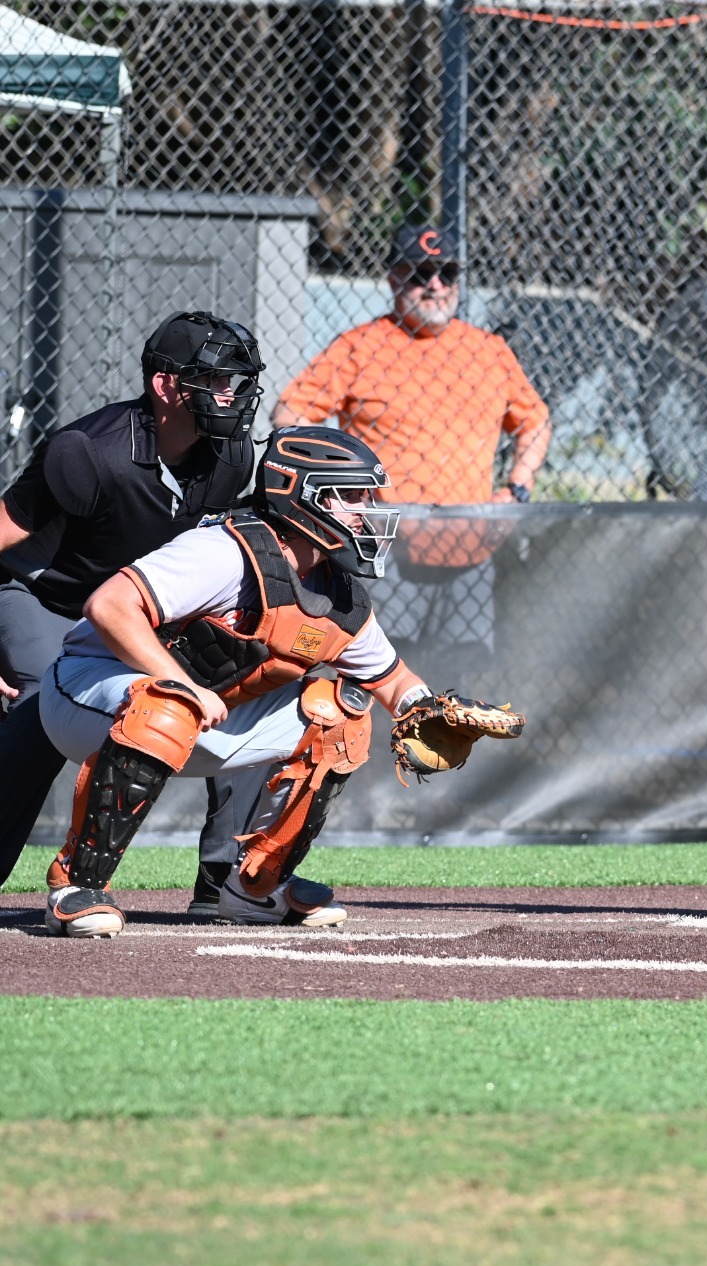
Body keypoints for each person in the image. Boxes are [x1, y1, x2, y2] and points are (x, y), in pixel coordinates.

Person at [38, 426, 513, 938]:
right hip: (85, 690)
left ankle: (256, 887)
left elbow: (393, 681)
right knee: (168, 703)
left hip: (193, 714)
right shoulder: (224, 551)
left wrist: (427, 708)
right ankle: (77, 885)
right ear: (303, 496)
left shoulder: (338, 592)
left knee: (341, 717)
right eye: (352, 497)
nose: (368, 511)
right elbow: (108, 606)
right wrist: (183, 684)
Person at [0, 311, 267, 913]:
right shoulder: (88, 454)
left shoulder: (231, 457)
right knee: (46, 700)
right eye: (219, 380)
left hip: (139, 614)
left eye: (240, 381)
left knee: (232, 686)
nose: (236, 395)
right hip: (46, 601)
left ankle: (230, 881)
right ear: (166, 386)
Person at [271, 224, 550, 671]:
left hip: (472, 547)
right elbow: (289, 414)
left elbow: (535, 421)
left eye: (447, 273)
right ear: (394, 280)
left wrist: (516, 491)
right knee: (378, 670)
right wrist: (342, 492)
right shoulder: (361, 347)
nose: (435, 285)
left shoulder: (487, 351)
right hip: (385, 550)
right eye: (421, 273)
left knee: (465, 672)